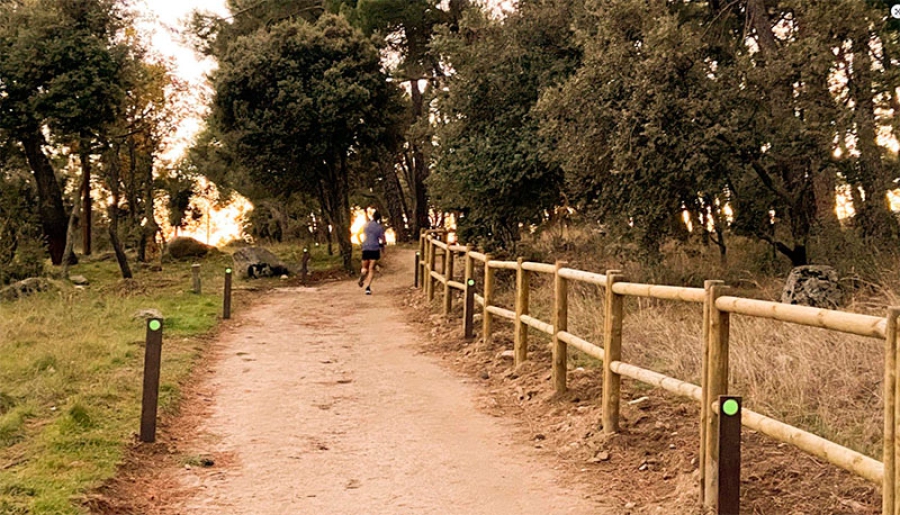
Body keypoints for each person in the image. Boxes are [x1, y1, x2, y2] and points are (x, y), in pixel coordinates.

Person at [358, 210, 386, 295]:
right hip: (374, 248)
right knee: (371, 269)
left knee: (364, 267)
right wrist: (383, 247)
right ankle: (368, 288)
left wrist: (361, 243)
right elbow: (383, 240)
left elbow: (357, 234)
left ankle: (362, 276)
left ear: (372, 216)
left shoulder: (365, 225)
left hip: (365, 248)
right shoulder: (379, 227)